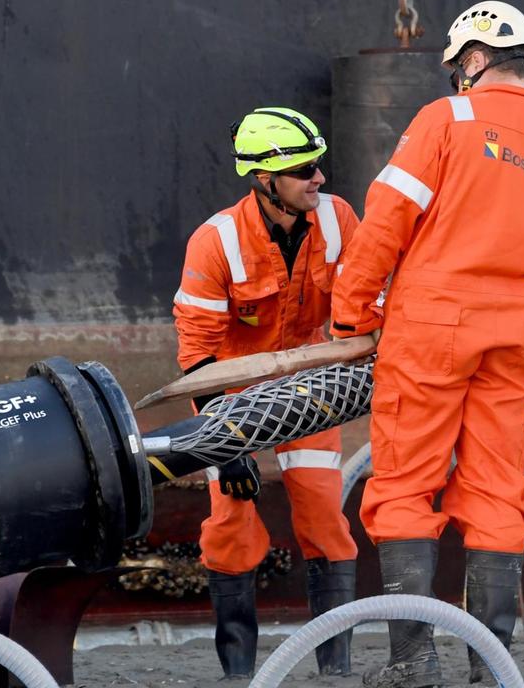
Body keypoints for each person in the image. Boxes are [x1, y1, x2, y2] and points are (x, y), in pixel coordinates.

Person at [330, 0, 524, 686]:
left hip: (431, 326)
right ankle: (491, 668)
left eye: (458, 64)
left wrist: (350, 318)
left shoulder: (446, 121)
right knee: (497, 491)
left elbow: (385, 224)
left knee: (403, 485)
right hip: (519, 334)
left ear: (474, 59)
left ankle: (414, 661)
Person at [172, 107, 360, 679]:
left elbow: (367, 305)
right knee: (230, 523)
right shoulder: (215, 242)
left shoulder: (340, 220)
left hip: (311, 383)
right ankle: (239, 676)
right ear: (263, 178)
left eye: (319, 166)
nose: (319, 179)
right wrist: (225, 446)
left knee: (327, 518)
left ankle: (336, 671)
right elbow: (197, 356)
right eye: (304, 170)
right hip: (230, 392)